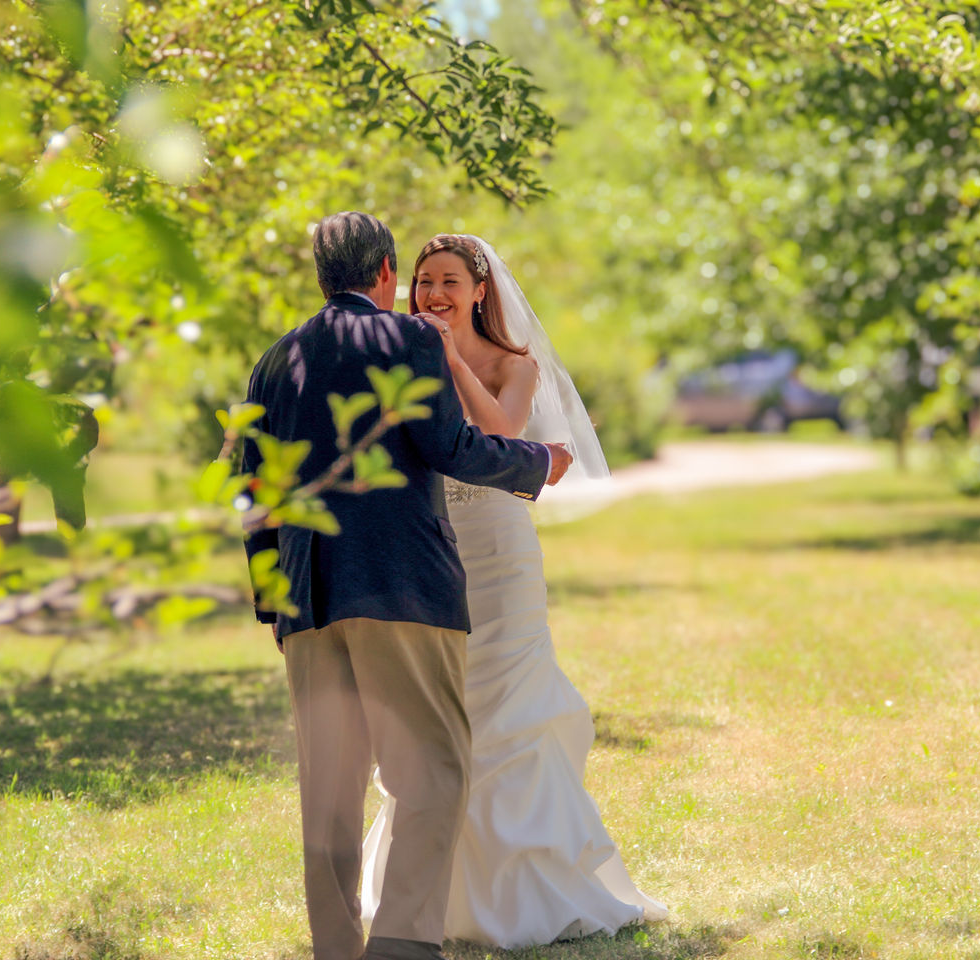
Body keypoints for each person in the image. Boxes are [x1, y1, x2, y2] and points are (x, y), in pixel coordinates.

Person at [240, 213, 574, 960]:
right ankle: (402, 945)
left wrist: (274, 601)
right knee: (433, 768)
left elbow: (251, 492)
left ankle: (337, 947)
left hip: (307, 600)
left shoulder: (275, 360)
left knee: (329, 787)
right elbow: (447, 446)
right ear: (386, 272)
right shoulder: (411, 340)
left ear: (320, 275)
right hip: (401, 589)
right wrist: (536, 465)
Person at [359, 234, 667, 948]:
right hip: (436, 547)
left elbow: (500, 431)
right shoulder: (405, 356)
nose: (433, 293)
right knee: (441, 707)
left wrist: (451, 361)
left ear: (478, 292)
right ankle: (433, 891)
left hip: (501, 549)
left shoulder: (515, 365)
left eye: (449, 282)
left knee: (512, 706)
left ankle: (532, 890)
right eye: (424, 281)